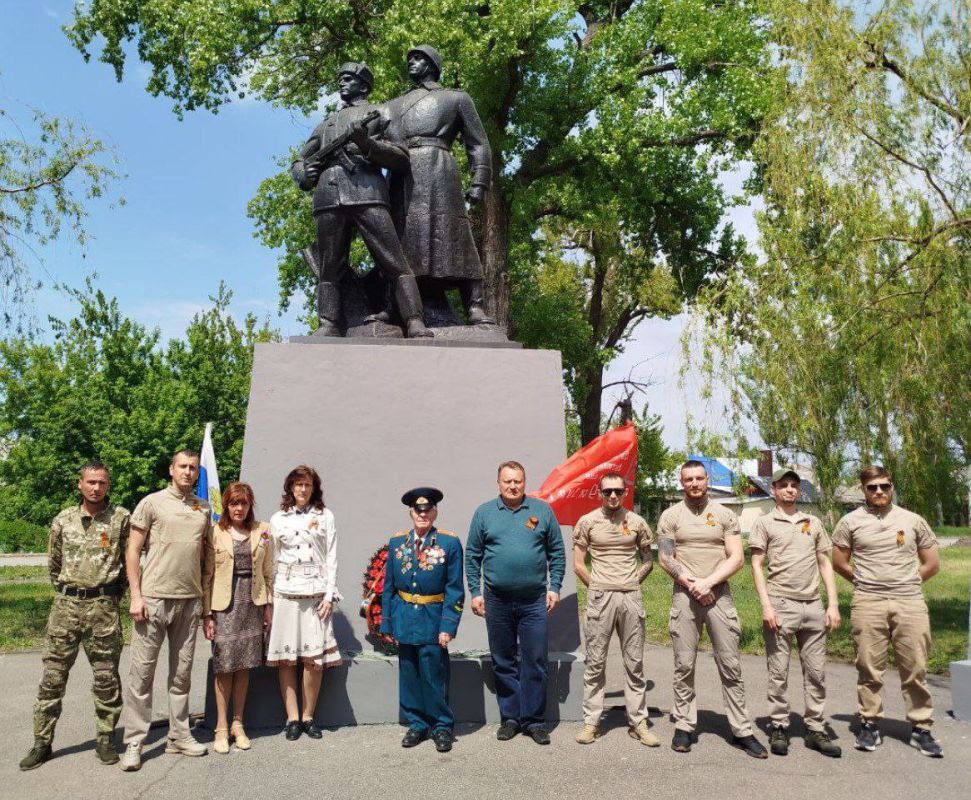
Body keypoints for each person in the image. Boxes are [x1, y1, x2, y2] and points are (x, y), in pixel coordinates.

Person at [290, 62, 431, 338]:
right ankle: (328, 323)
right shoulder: (325, 124)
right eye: (340, 79)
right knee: (330, 266)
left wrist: (367, 144)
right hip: (329, 196)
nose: (341, 83)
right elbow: (299, 161)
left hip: (367, 192)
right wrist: (303, 175)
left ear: (363, 85)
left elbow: (401, 157)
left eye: (348, 79)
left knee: (392, 259)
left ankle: (414, 319)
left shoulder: (381, 112)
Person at [20, 462, 130, 771]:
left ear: (108, 486)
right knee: (52, 679)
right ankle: (42, 743)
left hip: (103, 610)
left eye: (102, 483)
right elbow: (54, 565)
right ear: (79, 484)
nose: (97, 487)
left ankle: (106, 739)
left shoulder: (121, 518)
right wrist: (71, 593)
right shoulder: (63, 520)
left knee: (107, 678)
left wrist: (110, 596)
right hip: (65, 610)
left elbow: (128, 561)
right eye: (91, 482)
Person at [657, 460, 767, 758]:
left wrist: (708, 583)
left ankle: (742, 729)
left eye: (699, 478)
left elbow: (737, 557)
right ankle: (684, 725)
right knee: (684, 665)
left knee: (731, 665)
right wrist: (691, 583)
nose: (694, 483)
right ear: (682, 482)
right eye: (688, 479)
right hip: (685, 596)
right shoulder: (670, 516)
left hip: (719, 596)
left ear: (707, 480)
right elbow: (666, 558)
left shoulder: (724, 515)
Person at [831, 465, 943, 758]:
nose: (879, 491)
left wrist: (909, 581)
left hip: (909, 602)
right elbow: (839, 562)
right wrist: (863, 581)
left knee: (915, 666)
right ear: (862, 490)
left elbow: (931, 563)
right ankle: (869, 724)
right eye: (873, 487)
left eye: (885, 486)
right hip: (868, 602)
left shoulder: (912, 520)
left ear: (892, 486)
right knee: (868, 666)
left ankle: (921, 728)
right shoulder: (849, 522)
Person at [119, 449, 213, 771]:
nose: (188, 472)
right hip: (154, 599)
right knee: (141, 676)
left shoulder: (203, 509)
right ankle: (133, 741)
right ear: (171, 469)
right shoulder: (152, 502)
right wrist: (136, 595)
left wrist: (205, 605)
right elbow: (132, 550)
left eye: (192, 468)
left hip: (189, 601)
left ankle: (178, 736)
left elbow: (207, 558)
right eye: (182, 467)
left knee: (182, 674)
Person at [386, 45, 494, 324]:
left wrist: (479, 182)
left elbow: (478, 143)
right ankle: (395, 303)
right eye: (409, 58)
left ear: (433, 64)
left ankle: (475, 305)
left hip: (439, 169)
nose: (412, 62)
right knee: (399, 238)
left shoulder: (456, 98)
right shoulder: (393, 105)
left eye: (419, 58)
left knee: (454, 234)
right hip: (401, 172)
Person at [465, 461, 566, 744]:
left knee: (535, 659)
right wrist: (475, 591)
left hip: (534, 600)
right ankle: (510, 718)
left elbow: (556, 552)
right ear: (498, 483)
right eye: (507, 481)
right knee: (503, 660)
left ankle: (534, 721)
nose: (513, 486)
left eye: (518, 481)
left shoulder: (541, 511)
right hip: (496, 600)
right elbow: (472, 555)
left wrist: (554, 587)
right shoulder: (484, 513)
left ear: (525, 482)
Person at [749, 469, 842, 758]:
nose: (789, 489)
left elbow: (825, 563)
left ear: (798, 491)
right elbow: (757, 565)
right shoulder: (764, 523)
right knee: (778, 672)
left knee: (816, 672)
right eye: (783, 485)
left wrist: (833, 604)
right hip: (781, 604)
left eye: (794, 485)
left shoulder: (812, 522)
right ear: (774, 490)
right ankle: (779, 726)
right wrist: (766, 605)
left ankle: (815, 728)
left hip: (812, 606)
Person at [572, 473, 657, 747]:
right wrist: (596, 586)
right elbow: (579, 563)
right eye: (607, 491)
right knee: (595, 662)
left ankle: (638, 723)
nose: (612, 496)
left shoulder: (637, 522)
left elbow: (648, 560)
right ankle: (591, 723)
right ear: (599, 492)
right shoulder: (588, 522)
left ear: (625, 492)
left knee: (634, 663)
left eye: (618, 491)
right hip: (601, 598)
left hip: (631, 598)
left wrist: (632, 581)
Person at [380, 488, 464, 752]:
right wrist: (387, 622)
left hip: (433, 619)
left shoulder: (448, 543)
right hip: (404, 618)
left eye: (428, 510)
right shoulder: (397, 543)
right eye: (418, 510)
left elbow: (455, 588)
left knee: (433, 675)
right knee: (409, 673)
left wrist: (448, 626)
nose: (423, 514)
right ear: (411, 513)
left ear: (435, 512)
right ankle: (416, 724)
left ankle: (441, 726)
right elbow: (389, 587)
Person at [266, 465, 342, 741]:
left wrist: (329, 594)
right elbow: (271, 560)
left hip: (315, 594)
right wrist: (270, 601)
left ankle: (309, 716)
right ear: (290, 488)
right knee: (287, 658)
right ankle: (292, 718)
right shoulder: (278, 519)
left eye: (307, 485)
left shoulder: (325, 516)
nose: (302, 489)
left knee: (313, 661)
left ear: (314, 488)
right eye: (298, 485)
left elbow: (331, 557)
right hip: (285, 593)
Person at [201, 482, 274, 754]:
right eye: (234, 503)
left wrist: (269, 606)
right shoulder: (215, 532)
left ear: (249, 505)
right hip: (224, 607)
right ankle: (220, 727)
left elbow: (268, 571)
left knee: (244, 664)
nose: (239, 508)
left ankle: (237, 723)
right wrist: (206, 614)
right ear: (227, 506)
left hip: (252, 604)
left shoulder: (263, 531)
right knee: (224, 666)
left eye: (243, 503)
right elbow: (206, 575)